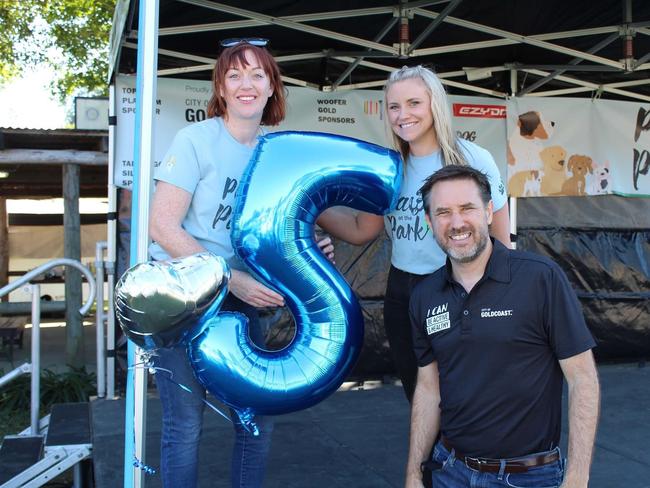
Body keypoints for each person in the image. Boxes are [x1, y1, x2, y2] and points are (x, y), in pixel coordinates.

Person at [148, 39, 333, 488]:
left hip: (241, 298)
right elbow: (162, 227)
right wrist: (230, 278)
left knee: (256, 418)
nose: (246, 84)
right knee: (185, 425)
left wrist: (308, 246)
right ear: (221, 88)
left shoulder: (277, 150)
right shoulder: (195, 139)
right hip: (183, 297)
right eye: (234, 75)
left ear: (272, 87)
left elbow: (277, 224)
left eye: (256, 75)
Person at [318, 65, 511, 402]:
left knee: (465, 394)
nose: (403, 115)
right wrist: (306, 205)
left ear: (434, 104)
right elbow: (362, 229)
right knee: (420, 395)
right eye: (394, 107)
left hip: (460, 289)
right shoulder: (388, 168)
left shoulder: (472, 159)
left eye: (413, 103)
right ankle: (431, 457)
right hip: (403, 291)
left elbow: (503, 240)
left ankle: (463, 456)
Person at [406, 164, 600, 488]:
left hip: (529, 477)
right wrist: (413, 473)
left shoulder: (540, 278)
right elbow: (428, 388)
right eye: (443, 212)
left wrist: (577, 478)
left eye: (467, 208)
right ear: (429, 222)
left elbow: (582, 378)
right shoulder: (424, 296)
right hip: (450, 471)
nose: (456, 223)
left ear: (487, 211)